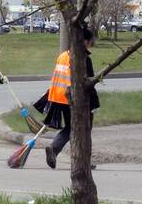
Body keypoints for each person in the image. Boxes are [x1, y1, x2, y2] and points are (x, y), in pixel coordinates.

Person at [34, 26, 100, 169]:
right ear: (85, 41)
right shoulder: (83, 58)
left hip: (59, 97)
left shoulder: (64, 55)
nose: (90, 45)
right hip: (72, 99)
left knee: (72, 128)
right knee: (80, 128)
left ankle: (64, 153)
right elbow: (88, 83)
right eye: (89, 42)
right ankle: (71, 156)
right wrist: (94, 105)